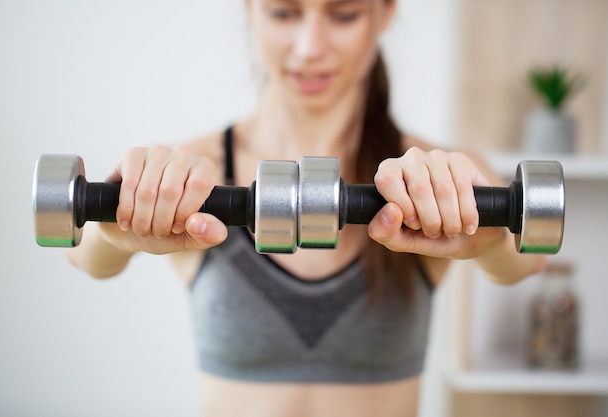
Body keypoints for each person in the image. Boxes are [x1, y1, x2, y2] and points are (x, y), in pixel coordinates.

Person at [67, 1, 546, 416]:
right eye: (283, 11)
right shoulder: (192, 175)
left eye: (343, 14)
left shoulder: (441, 183)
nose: (310, 47)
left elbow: (525, 262)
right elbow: (85, 256)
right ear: (250, 10)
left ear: (386, 11)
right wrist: (113, 233)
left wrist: (491, 241)